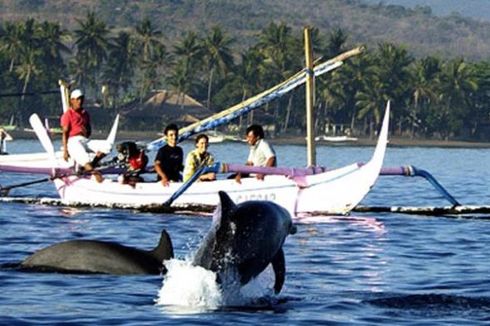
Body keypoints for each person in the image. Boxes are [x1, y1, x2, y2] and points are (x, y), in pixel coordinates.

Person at [60, 89, 104, 183]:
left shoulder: (85, 114)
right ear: (72, 100)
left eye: (81, 99)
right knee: (84, 158)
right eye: (78, 99)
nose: (80, 101)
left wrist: (86, 132)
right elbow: (65, 133)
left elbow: (88, 130)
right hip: (73, 141)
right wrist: (65, 151)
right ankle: (95, 174)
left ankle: (88, 167)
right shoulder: (67, 115)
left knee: (106, 147)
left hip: (84, 140)